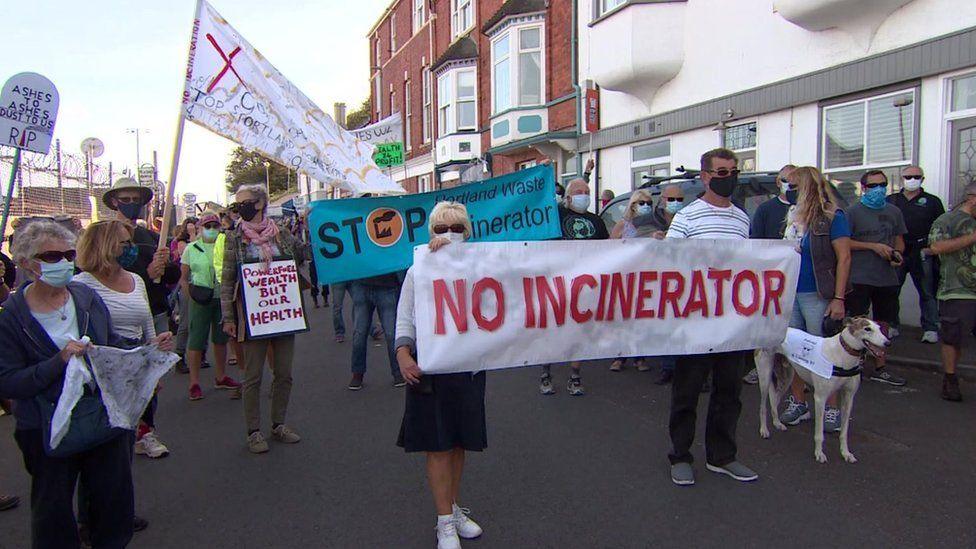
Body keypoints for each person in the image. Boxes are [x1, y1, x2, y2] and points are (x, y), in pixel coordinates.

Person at [0, 220, 171, 547]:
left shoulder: (85, 297)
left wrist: (147, 352)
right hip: (46, 428)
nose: (62, 262)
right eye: (51, 256)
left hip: (102, 416)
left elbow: (111, 344)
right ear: (24, 262)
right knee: (53, 515)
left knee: (112, 506)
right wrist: (57, 362)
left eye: (67, 253)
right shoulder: (12, 317)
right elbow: (8, 382)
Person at [395, 202, 485, 549]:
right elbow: (405, 316)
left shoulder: (482, 264)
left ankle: (451, 507)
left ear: (468, 231)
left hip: (468, 366)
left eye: (457, 228)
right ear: (432, 232)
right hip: (432, 365)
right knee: (438, 444)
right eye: (442, 228)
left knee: (459, 442)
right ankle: (444, 522)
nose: (450, 235)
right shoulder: (419, 268)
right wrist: (403, 354)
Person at [666, 147, 757, 486]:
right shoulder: (687, 217)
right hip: (694, 320)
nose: (728, 178)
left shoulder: (741, 218)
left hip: (732, 321)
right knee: (687, 391)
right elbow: (668, 264)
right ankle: (680, 455)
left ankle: (723, 456)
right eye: (721, 173)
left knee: (729, 391)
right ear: (704, 177)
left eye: (733, 172)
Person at [75, 220, 174, 458]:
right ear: (105, 245)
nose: (132, 248)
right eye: (125, 243)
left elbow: (146, 324)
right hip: (103, 367)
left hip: (137, 358)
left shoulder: (136, 280)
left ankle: (144, 434)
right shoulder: (80, 286)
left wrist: (155, 356)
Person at [221, 185, 303, 453]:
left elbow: (301, 255)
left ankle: (279, 423)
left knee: (284, 373)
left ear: (259, 204)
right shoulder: (233, 238)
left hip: (282, 312)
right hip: (251, 315)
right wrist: (228, 317)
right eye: (236, 205)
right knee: (252, 376)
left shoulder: (281, 233)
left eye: (244, 203)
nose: (239, 209)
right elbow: (227, 278)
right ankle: (253, 431)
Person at [777, 167, 852, 432]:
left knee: (823, 350)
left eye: (793, 184)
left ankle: (830, 407)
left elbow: (844, 258)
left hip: (817, 293)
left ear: (807, 186)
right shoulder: (792, 215)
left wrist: (838, 298)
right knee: (795, 348)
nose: (788, 188)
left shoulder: (832, 216)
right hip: (791, 292)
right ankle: (799, 402)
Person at [540, 177, 609, 397]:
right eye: (579, 191)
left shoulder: (596, 221)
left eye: (587, 191)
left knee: (579, 330)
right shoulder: (555, 217)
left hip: (585, 285)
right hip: (557, 283)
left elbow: (610, 249)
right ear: (568, 197)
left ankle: (575, 376)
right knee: (553, 329)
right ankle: (545, 372)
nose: (584, 195)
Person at [846, 170, 908, 386]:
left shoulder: (894, 211)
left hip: (885, 277)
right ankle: (855, 366)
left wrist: (896, 254)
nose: (879, 189)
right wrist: (873, 246)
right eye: (873, 186)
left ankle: (881, 367)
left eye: (882, 184)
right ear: (864, 188)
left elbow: (899, 241)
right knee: (858, 322)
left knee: (884, 324)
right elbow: (844, 243)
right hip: (859, 276)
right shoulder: (852, 212)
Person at [102, 177, 181, 336]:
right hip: (123, 316)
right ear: (114, 201)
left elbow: (172, 278)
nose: (132, 203)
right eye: (125, 199)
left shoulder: (153, 238)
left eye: (136, 199)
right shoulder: (104, 237)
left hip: (156, 311)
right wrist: (147, 275)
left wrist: (167, 265)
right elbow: (104, 275)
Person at [923, 182, 976, 401]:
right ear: (972, 198)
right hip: (957, 290)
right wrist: (972, 237)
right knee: (953, 338)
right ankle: (950, 378)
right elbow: (936, 248)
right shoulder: (946, 220)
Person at [182, 213, 240, 401]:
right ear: (200, 227)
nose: (212, 229)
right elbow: (183, 277)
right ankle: (194, 382)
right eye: (208, 225)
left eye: (215, 225)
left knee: (221, 338)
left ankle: (221, 376)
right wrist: (189, 295)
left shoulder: (225, 246)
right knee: (197, 339)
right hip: (200, 297)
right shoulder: (191, 249)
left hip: (222, 297)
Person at [888, 165, 944, 343]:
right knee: (891, 290)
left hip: (922, 251)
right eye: (908, 176)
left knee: (927, 291)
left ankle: (930, 327)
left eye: (916, 176)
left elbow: (940, 227)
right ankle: (892, 325)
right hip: (897, 251)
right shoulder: (892, 200)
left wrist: (932, 248)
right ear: (902, 179)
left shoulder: (932, 201)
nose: (911, 179)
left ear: (922, 178)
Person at [608, 189, 656, 373]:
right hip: (626, 276)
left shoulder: (653, 225)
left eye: (648, 203)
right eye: (641, 203)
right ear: (633, 205)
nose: (645, 207)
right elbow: (609, 247)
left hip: (646, 276)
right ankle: (619, 356)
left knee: (641, 318)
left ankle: (639, 357)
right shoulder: (623, 224)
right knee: (624, 317)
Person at [347, 270, 405, 390]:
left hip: (385, 285)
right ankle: (357, 373)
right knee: (360, 333)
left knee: (391, 333)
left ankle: (398, 372)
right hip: (363, 284)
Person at [750, 165, 797, 240]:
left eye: (794, 181)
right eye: (786, 180)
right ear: (778, 182)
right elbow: (756, 241)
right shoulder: (764, 209)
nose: (790, 184)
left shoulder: (806, 208)